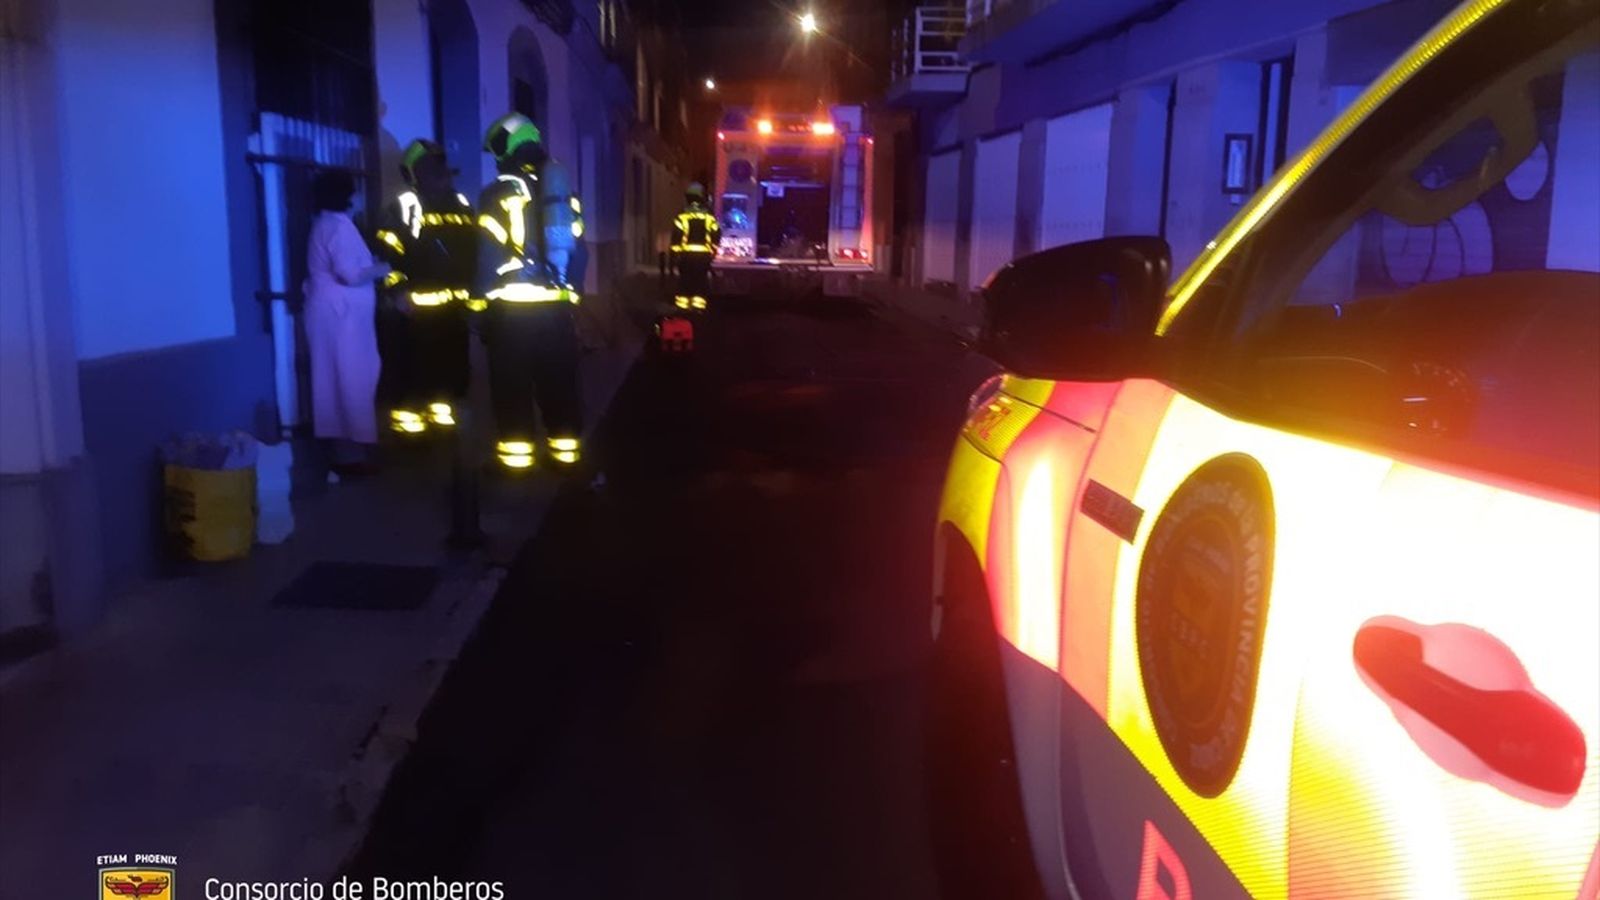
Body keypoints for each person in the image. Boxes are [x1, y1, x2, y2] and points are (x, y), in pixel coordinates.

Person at [476, 113, 584, 472]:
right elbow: (579, 251)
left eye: (496, 151)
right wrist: (570, 293)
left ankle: (518, 461)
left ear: (507, 147)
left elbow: (487, 257)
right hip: (557, 313)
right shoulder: (564, 193)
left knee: (512, 387)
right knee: (560, 383)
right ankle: (565, 452)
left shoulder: (496, 194)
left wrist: (479, 313)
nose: (495, 159)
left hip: (513, 316)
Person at [372, 139, 478, 437]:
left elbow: (475, 250)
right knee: (412, 370)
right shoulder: (405, 206)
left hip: (455, 310)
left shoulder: (462, 203)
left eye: (441, 167)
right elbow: (387, 255)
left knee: (450, 368)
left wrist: (475, 297)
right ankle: (409, 430)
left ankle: (441, 420)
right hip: (415, 311)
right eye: (432, 168)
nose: (440, 174)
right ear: (413, 173)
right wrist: (398, 291)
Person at [303, 171, 390, 474]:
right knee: (351, 380)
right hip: (342, 319)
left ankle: (345, 452)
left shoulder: (324, 224)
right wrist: (384, 268)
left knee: (334, 381)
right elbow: (350, 274)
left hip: (331, 315)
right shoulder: (339, 227)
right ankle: (351, 457)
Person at [671, 182, 720, 311]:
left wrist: (675, 254)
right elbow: (716, 234)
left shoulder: (682, 216)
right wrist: (713, 251)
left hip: (686, 257)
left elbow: (676, 237)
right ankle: (698, 307)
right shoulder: (709, 216)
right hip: (703, 257)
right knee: (700, 281)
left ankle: (683, 307)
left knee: (685, 281)